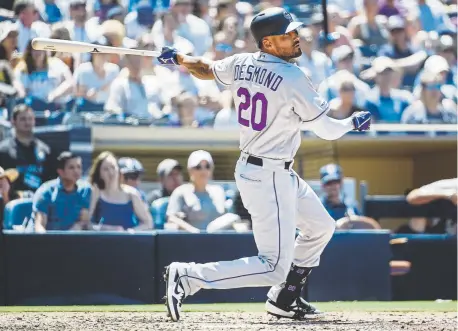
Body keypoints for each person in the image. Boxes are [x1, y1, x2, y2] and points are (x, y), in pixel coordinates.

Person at [157, 7, 371, 322]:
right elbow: (325, 129)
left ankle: (285, 298)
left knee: (321, 227)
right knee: (273, 266)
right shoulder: (292, 75)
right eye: (288, 35)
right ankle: (188, 277)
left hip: (271, 170)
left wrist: (179, 59)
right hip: (268, 173)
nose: (296, 38)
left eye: (295, 32)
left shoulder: (241, 62)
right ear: (268, 43)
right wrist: (352, 122)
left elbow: (206, 69)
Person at [166, 150, 238, 233]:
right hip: (191, 241)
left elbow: (228, 218)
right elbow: (172, 218)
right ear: (190, 170)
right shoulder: (180, 192)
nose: (203, 171)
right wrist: (193, 231)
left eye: (207, 166)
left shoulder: (219, 191)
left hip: (219, 240)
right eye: (198, 167)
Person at [88, 151, 153, 232]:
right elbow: (87, 224)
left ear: (119, 171)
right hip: (103, 241)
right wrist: (104, 228)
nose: (111, 173)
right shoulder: (95, 193)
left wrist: (132, 231)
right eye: (105, 169)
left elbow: (148, 223)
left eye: (113, 167)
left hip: (129, 241)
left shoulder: (132, 194)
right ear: (99, 173)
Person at [0, 104, 55, 193]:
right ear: (13, 122)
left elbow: (52, 180)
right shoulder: (3, 150)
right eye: (23, 119)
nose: (27, 122)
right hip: (13, 202)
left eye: (30, 119)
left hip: (39, 201)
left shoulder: (45, 150)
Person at [33, 151, 92, 232]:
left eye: (79, 167)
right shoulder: (46, 191)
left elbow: (84, 221)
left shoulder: (85, 190)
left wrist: (77, 227)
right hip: (49, 240)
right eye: (71, 167)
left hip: (74, 240)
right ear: (61, 172)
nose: (76, 171)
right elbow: (39, 225)